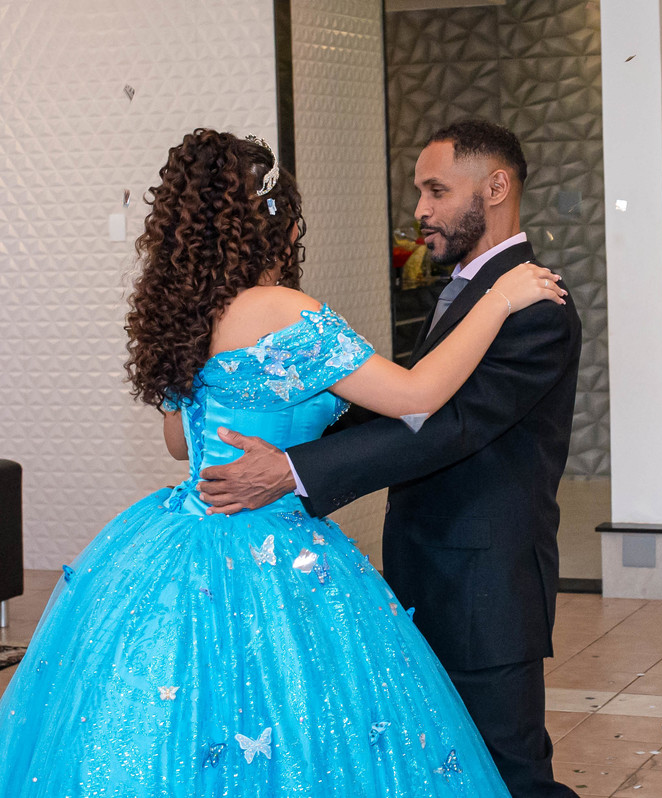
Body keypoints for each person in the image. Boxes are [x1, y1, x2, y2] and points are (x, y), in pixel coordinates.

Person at [0, 128, 566, 796]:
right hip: (270, 546)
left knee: (187, 723)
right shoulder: (283, 310)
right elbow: (418, 396)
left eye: (433, 190)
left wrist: (288, 452)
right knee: (297, 721)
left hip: (181, 533)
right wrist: (501, 299)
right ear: (279, 225)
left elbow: (180, 442)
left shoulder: (188, 314)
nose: (419, 209)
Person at [198, 119, 583, 798]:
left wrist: (293, 470)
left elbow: (445, 427)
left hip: (483, 584)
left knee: (510, 775)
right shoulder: (470, 289)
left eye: (437, 191)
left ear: (496, 188)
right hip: (429, 566)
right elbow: (398, 404)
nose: (420, 210)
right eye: (418, 192)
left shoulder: (535, 305)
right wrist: (295, 439)